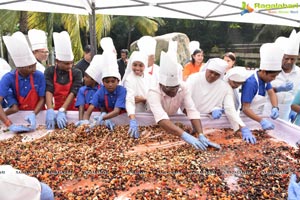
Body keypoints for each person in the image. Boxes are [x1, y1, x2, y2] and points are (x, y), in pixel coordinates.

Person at [147, 51, 220, 150]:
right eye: (169, 88)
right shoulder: (153, 91)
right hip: (152, 120)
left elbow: (191, 110)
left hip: (172, 120)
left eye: (175, 88)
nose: (173, 91)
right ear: (161, 85)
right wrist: (185, 136)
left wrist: (200, 134)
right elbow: (161, 118)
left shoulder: (183, 87)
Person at [186, 58, 256, 144]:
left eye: (216, 74)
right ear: (207, 69)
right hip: (189, 118)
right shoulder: (193, 79)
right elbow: (186, 100)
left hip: (210, 122)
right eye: (211, 72)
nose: (212, 75)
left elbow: (230, 109)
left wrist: (243, 127)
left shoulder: (225, 87)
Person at [0, 31, 46, 133]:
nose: (34, 69)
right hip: (19, 115)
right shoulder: (8, 78)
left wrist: (34, 114)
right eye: (30, 67)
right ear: (19, 68)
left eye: (34, 65)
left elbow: (42, 99)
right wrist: (9, 124)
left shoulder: (39, 75)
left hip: (39, 115)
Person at [76, 52, 126, 131]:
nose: (110, 84)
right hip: (107, 119)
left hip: (123, 119)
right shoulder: (101, 91)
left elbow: (116, 111)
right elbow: (90, 108)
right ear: (102, 81)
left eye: (113, 81)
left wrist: (102, 117)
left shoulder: (122, 90)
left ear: (118, 81)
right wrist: (85, 121)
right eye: (107, 82)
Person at [44, 31, 82, 129]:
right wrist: (50, 110)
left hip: (72, 109)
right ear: (57, 61)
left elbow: (74, 91)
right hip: (56, 108)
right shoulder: (50, 71)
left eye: (71, 63)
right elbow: (49, 89)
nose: (69, 66)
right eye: (66, 63)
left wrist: (63, 110)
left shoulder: (76, 73)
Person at [241, 43, 283, 131]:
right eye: (272, 76)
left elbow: (271, 93)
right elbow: (245, 108)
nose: (273, 79)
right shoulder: (251, 83)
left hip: (258, 118)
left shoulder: (265, 80)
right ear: (264, 72)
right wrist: (261, 121)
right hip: (246, 119)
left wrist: (275, 107)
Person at [265, 30, 300, 122]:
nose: (289, 62)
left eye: (292, 59)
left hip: (287, 111)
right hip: (269, 108)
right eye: (286, 58)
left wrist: (294, 110)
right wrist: (278, 89)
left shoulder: (299, 73)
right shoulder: (271, 71)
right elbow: (262, 89)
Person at [224, 67, 256, 144]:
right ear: (229, 79)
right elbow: (229, 108)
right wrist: (243, 127)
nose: (237, 86)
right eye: (235, 83)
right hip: (219, 118)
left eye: (240, 84)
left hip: (230, 119)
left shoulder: (233, 87)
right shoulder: (224, 86)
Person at [122, 51, 150, 138]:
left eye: (140, 65)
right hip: (134, 113)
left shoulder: (149, 77)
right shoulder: (129, 79)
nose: (137, 68)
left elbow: (153, 95)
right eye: (135, 65)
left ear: (145, 65)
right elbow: (130, 100)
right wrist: (133, 120)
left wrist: (144, 99)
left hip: (148, 113)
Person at [75, 55, 102, 121]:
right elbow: (81, 107)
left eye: (86, 77)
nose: (84, 78)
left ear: (94, 80)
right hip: (86, 117)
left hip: (99, 118)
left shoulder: (101, 90)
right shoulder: (82, 90)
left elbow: (103, 108)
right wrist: (81, 121)